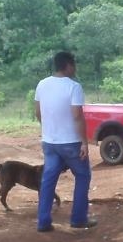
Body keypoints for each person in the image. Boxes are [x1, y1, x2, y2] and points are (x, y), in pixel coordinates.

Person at [34, 51, 95, 232]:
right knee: (83, 176)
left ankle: (43, 222)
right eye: (73, 64)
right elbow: (77, 116)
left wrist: (50, 130)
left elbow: (38, 113)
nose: (75, 68)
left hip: (49, 142)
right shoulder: (73, 87)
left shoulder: (42, 84)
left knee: (48, 180)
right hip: (70, 143)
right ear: (68, 65)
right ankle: (78, 219)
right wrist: (84, 142)